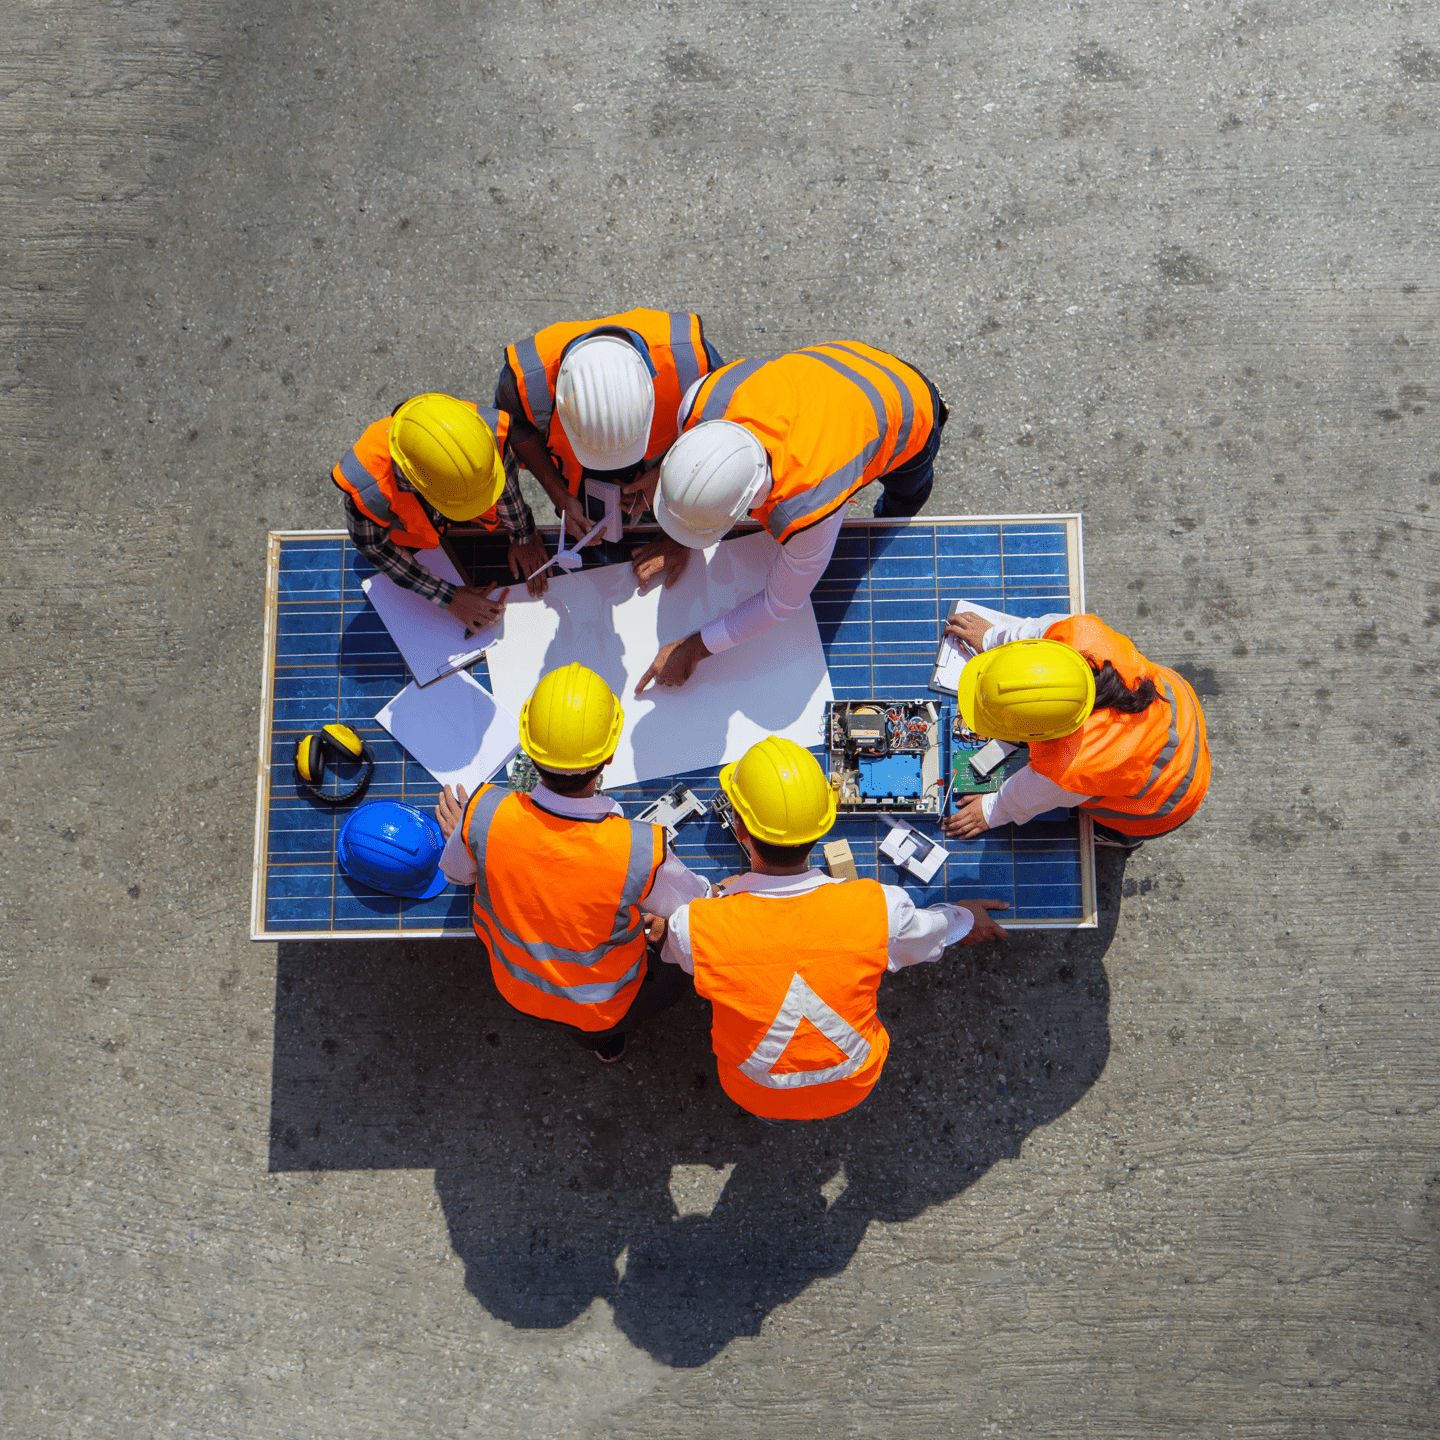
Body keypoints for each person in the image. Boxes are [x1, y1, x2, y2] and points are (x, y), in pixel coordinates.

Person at [652, 738, 1009, 1123]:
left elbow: (677, 949)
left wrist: (720, 896)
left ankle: (775, 1114)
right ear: (824, 825)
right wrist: (966, 916)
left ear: (738, 829)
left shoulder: (696, 925)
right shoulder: (878, 909)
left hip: (753, 1091)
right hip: (854, 1083)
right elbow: (932, 933)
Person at [627, 342, 948, 693]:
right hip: (844, 362)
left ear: (742, 506)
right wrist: (680, 523)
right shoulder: (700, 402)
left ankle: (892, 520)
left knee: (907, 494)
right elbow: (700, 464)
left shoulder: (810, 510)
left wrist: (694, 649)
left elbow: (777, 605)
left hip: (908, 404)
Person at [433, 663, 711, 1063]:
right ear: (610, 753)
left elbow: (458, 874)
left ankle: (604, 1043)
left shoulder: (484, 815)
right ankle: (605, 1039)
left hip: (517, 989)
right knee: (676, 970)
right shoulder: (636, 850)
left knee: (585, 1026)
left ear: (528, 748)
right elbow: (697, 907)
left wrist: (466, 833)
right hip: (600, 1007)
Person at [939, 609, 1211, 851]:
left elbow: (1027, 796)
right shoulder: (1078, 633)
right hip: (1181, 714)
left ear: (1039, 734)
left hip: (1168, 800)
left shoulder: (1073, 766)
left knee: (1118, 823)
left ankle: (1119, 839)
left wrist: (989, 812)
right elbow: (1029, 636)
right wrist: (991, 638)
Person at [494, 309, 724, 543]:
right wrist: (560, 496)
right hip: (577, 486)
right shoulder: (525, 379)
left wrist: (666, 476)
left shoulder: (693, 361)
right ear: (563, 402)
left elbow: (715, 430)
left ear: (649, 391)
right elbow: (517, 428)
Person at [333, 392, 550, 631]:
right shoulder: (366, 485)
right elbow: (373, 546)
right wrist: (449, 598)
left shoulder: (481, 436)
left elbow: (505, 484)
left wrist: (523, 535)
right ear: (415, 482)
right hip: (412, 544)